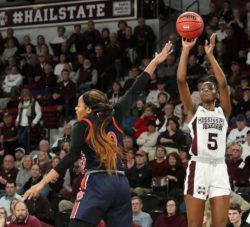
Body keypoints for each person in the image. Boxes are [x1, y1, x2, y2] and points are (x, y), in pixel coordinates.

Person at [23, 41, 173, 227]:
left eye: (79, 105)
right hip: (120, 183)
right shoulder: (116, 113)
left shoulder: (83, 124)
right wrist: (156, 61)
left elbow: (70, 157)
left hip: (97, 181)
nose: (76, 108)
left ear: (88, 109)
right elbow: (137, 87)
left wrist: (41, 183)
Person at [177, 33, 232, 227]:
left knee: (220, 224)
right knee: (195, 224)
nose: (204, 90)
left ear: (216, 93)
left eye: (209, 87)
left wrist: (210, 55)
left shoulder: (223, 112)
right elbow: (181, 81)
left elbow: (224, 83)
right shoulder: (193, 111)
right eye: (201, 89)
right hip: (198, 167)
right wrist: (185, 50)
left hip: (219, 167)